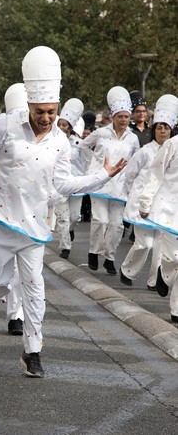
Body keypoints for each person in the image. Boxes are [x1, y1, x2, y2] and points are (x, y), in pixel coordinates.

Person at [0, 46, 127, 378]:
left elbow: (63, 184)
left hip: (34, 228)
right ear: (29, 104)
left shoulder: (61, 142)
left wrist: (103, 176)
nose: (46, 118)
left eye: (52, 112)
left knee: (34, 288)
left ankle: (32, 352)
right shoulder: (1, 126)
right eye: (41, 111)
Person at [81, 86, 140, 275]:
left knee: (116, 224)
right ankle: (93, 252)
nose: (123, 120)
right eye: (120, 116)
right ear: (113, 117)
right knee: (100, 219)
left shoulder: (132, 138)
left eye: (126, 117)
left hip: (120, 186)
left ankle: (109, 257)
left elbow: (137, 160)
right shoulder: (100, 134)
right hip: (100, 183)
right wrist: (92, 167)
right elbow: (83, 146)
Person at [119, 96, 175, 290]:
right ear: (154, 130)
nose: (162, 131)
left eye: (165, 127)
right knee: (145, 244)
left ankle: (154, 281)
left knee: (160, 246)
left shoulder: (174, 149)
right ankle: (127, 270)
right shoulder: (145, 151)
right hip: (141, 204)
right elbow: (130, 175)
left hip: (164, 205)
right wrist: (132, 196)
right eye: (159, 127)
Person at [138, 94, 178, 322]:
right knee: (174, 258)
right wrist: (145, 203)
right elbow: (154, 175)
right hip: (169, 210)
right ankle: (164, 272)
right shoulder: (172, 145)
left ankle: (176, 309)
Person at [55, 98, 85, 258]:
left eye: (64, 125)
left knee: (74, 217)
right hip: (59, 186)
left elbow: (88, 161)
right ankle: (65, 247)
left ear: (70, 127)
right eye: (59, 124)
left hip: (75, 184)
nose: (61, 127)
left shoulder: (79, 143)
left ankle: (71, 230)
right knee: (62, 218)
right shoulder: (52, 142)